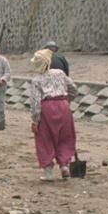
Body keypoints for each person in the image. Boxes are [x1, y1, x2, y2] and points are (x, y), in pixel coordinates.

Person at [29, 48, 78, 181]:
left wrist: (35, 121)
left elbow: (35, 103)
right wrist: (66, 101)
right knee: (65, 136)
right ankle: (64, 166)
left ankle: (49, 172)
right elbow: (73, 89)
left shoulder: (36, 80)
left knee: (45, 139)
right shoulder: (60, 73)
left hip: (47, 108)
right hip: (63, 105)